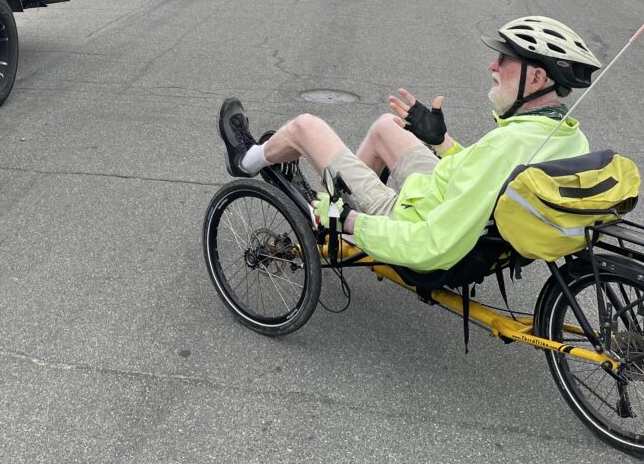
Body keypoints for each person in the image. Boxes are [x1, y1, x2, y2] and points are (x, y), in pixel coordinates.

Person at [217, 16, 601, 273]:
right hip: (445, 194)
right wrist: (441, 142)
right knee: (387, 125)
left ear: (535, 79)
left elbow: (432, 246)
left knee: (305, 126)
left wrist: (350, 222)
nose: (493, 67)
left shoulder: (506, 145)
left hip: (411, 217)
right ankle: (332, 197)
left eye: (504, 59)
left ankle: (246, 160)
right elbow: (489, 178)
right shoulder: (565, 133)